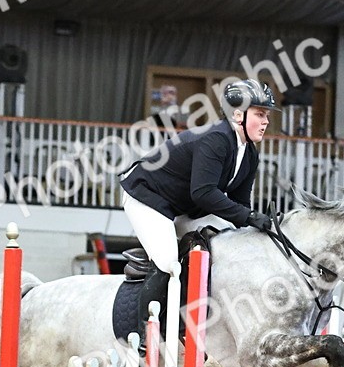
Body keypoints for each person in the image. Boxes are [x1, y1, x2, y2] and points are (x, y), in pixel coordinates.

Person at [119, 78, 278, 345]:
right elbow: (203, 193)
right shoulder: (217, 139)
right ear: (238, 115)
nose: (266, 121)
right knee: (168, 262)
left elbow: (239, 202)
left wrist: (255, 227)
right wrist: (249, 217)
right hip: (148, 196)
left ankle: (191, 321)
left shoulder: (249, 153)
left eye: (267, 116)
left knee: (227, 238)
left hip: (183, 206)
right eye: (260, 114)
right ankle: (144, 340)